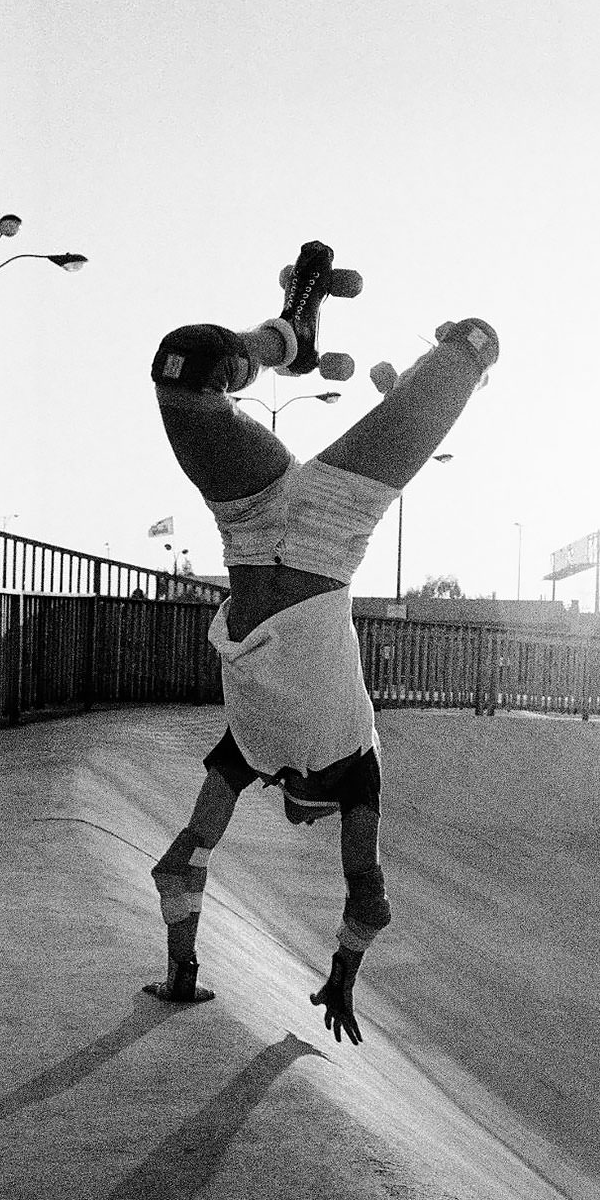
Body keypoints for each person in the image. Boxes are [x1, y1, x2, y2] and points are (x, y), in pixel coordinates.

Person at [144, 240, 498, 1045]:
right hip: (338, 520)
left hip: (249, 516)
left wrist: (182, 971)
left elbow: (180, 863)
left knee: (185, 362)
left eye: (297, 821)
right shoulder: (358, 764)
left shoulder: (248, 751)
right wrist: (343, 975)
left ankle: (290, 333)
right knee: (475, 341)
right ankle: (434, 370)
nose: (301, 824)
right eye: (314, 823)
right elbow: (369, 896)